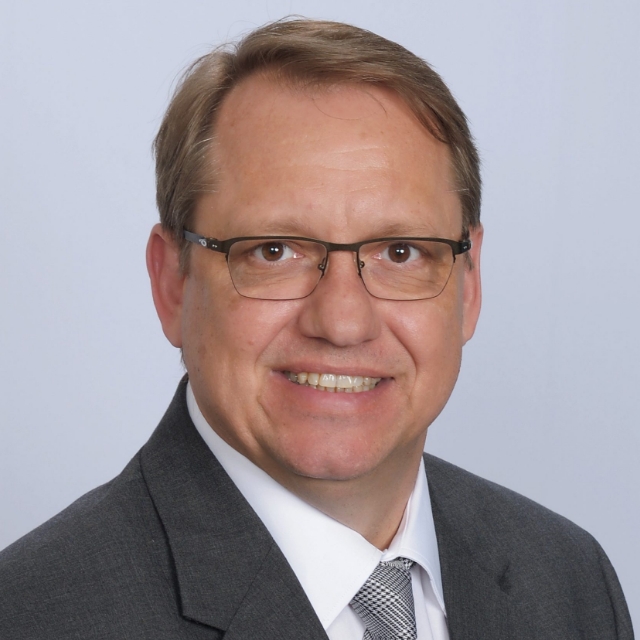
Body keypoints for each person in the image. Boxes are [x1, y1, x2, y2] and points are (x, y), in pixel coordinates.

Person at [0, 18, 633, 640]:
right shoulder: (35, 616)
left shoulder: (569, 584)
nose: (343, 322)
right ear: (172, 283)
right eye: (274, 250)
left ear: (468, 287)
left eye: (402, 252)